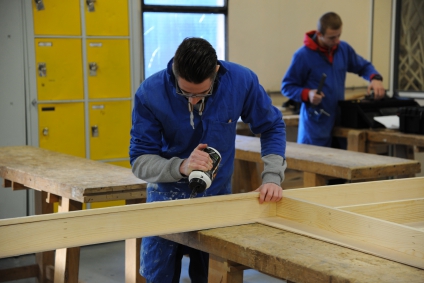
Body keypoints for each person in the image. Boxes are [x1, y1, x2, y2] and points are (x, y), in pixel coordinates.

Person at [129, 37, 287, 283]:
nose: (193, 101)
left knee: (212, 276)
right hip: (165, 199)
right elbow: (140, 160)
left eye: (201, 93)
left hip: (216, 199)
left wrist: (273, 178)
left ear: (216, 72)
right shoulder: (150, 93)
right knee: (159, 276)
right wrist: (180, 166)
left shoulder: (241, 81)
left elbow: (272, 126)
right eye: (185, 93)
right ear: (175, 71)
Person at [281, 11, 386, 147]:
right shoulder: (303, 56)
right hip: (315, 126)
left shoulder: (343, 49)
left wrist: (375, 78)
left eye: (339, 36)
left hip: (339, 123)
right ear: (319, 34)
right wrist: (308, 94)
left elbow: (363, 66)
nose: (336, 41)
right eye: (331, 38)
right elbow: (287, 86)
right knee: (314, 166)